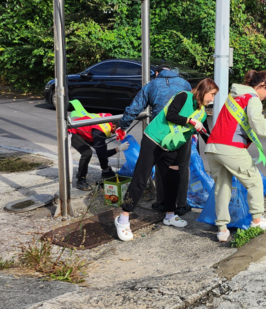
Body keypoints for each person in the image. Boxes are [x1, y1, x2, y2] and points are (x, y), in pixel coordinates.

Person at [114, 79, 219, 241]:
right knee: (141, 179)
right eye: (212, 94)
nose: (212, 99)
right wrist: (190, 121)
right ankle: (123, 219)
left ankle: (170, 215)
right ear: (204, 90)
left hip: (169, 146)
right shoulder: (183, 96)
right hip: (154, 140)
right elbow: (171, 115)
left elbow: (206, 134)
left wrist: (217, 148)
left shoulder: (202, 112)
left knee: (172, 179)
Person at [205, 70, 266, 243]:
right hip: (230, 148)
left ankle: (222, 230)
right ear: (261, 86)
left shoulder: (233, 96)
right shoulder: (252, 99)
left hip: (213, 147)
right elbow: (257, 123)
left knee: (222, 187)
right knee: (255, 181)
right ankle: (257, 221)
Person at [117, 64, 193, 215]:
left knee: (160, 168)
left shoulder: (151, 85)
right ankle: (180, 205)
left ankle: (161, 203)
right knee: (181, 168)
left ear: (157, 73)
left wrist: (123, 126)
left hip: (160, 134)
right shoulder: (185, 84)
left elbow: (134, 109)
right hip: (181, 133)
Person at [68, 112, 129, 191]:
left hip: (86, 130)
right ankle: (80, 180)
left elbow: (102, 151)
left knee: (102, 148)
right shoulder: (100, 131)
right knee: (87, 153)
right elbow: (102, 154)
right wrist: (118, 149)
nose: (115, 133)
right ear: (113, 126)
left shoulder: (110, 118)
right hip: (73, 130)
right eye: (117, 131)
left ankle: (106, 171)